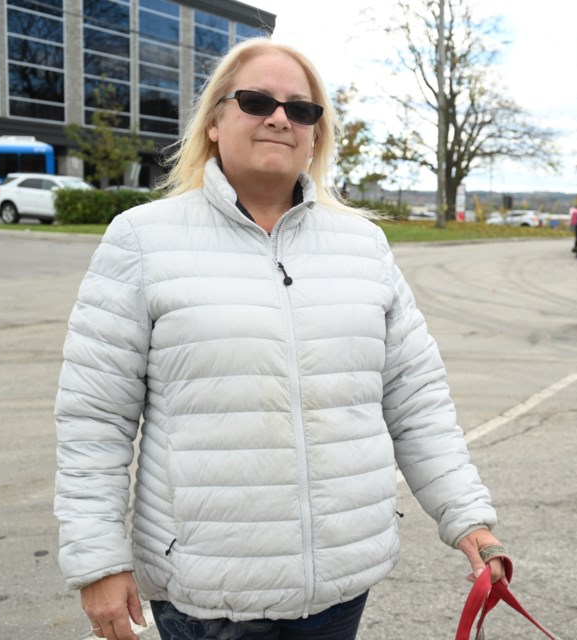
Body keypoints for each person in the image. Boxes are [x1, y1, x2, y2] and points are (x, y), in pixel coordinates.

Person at [54, 38, 504, 640]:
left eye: (302, 109)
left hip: (340, 586)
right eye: (257, 100)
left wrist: (467, 517)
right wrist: (98, 562)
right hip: (209, 593)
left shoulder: (364, 247)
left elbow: (416, 401)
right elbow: (94, 422)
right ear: (214, 121)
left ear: (316, 134)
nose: (279, 118)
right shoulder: (141, 240)